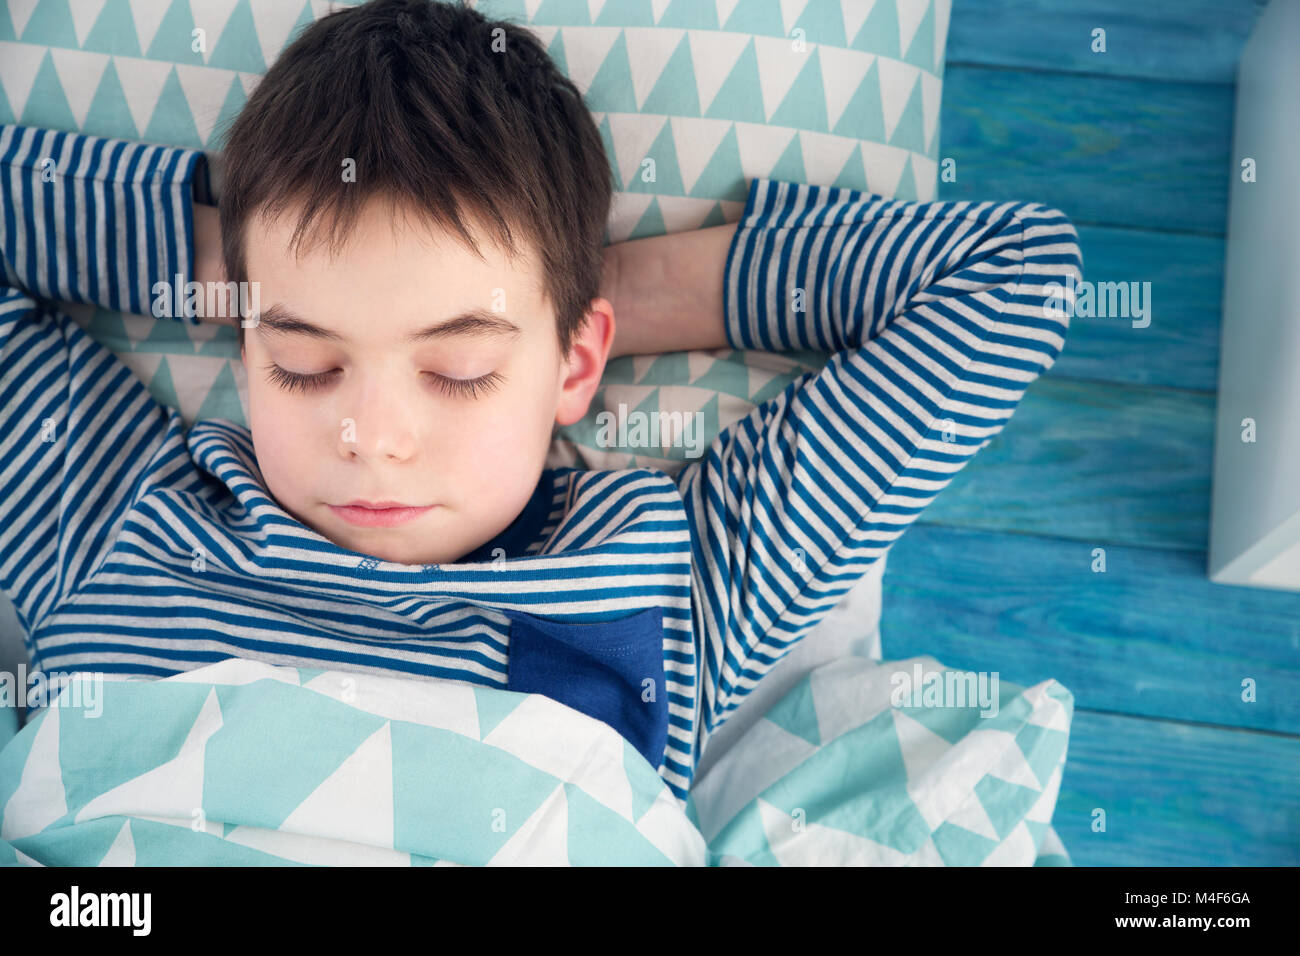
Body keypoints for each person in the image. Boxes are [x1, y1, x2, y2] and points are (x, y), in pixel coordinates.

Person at [0, 0, 1081, 803]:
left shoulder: (674, 585)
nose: (369, 437)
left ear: (572, 367)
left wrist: (611, 292)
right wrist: (228, 263)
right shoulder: (114, 516)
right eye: (303, 361)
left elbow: (1013, 278)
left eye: (459, 368)